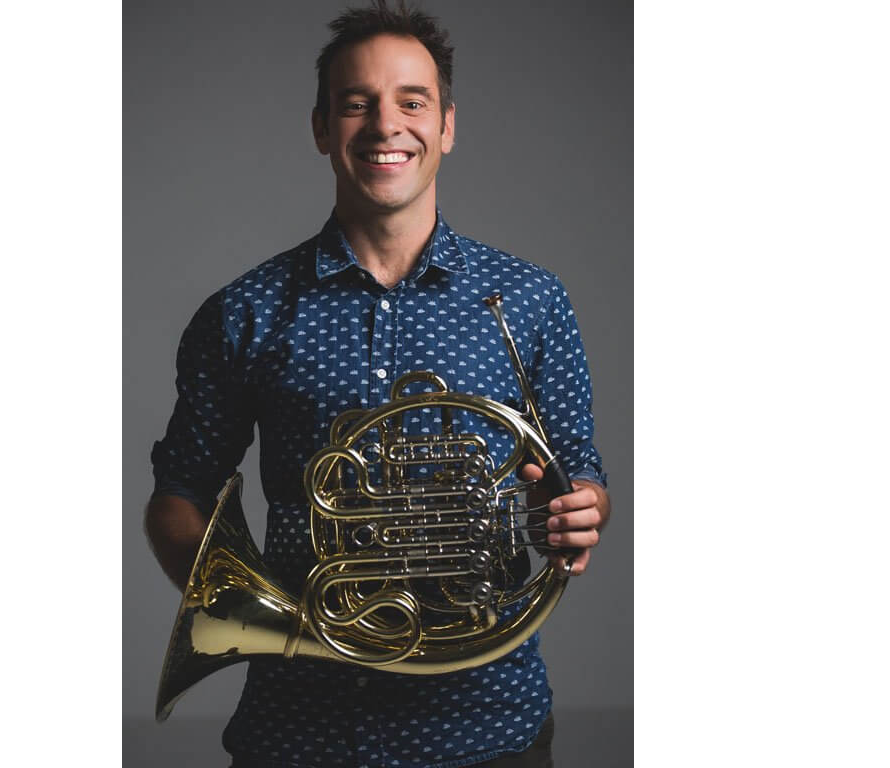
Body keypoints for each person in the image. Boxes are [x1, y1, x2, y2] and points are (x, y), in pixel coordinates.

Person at [145, 2, 610, 766]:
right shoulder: (244, 313)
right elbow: (178, 495)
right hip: (301, 730)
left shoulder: (530, 301)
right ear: (322, 127)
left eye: (412, 102)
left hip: (488, 724)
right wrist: (239, 600)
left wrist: (577, 508)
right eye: (356, 103)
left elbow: (578, 471)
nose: (386, 124)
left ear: (447, 126)